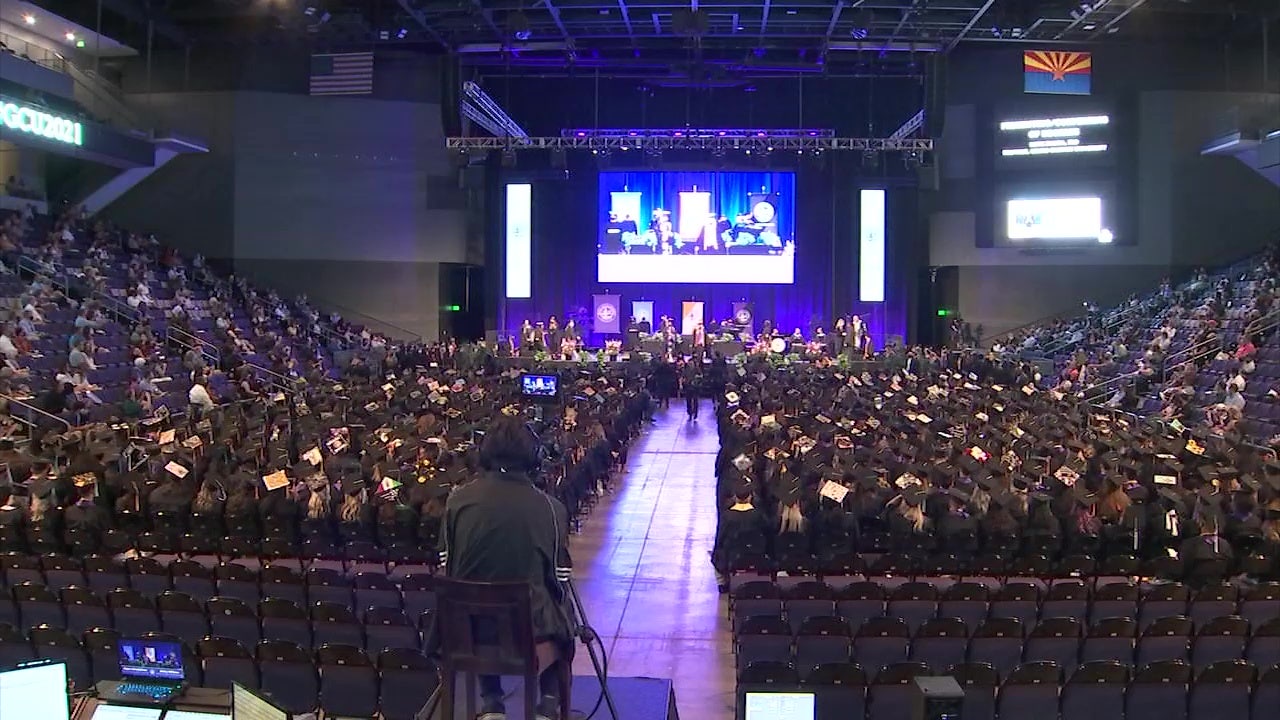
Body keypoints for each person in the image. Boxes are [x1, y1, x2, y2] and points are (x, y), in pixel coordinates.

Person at [438, 416, 574, 720]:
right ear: (535, 458)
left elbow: (446, 566)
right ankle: (548, 703)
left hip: (466, 635)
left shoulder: (456, 501)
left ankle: (492, 704)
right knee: (562, 609)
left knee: (480, 598)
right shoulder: (551, 509)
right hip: (529, 638)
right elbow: (558, 579)